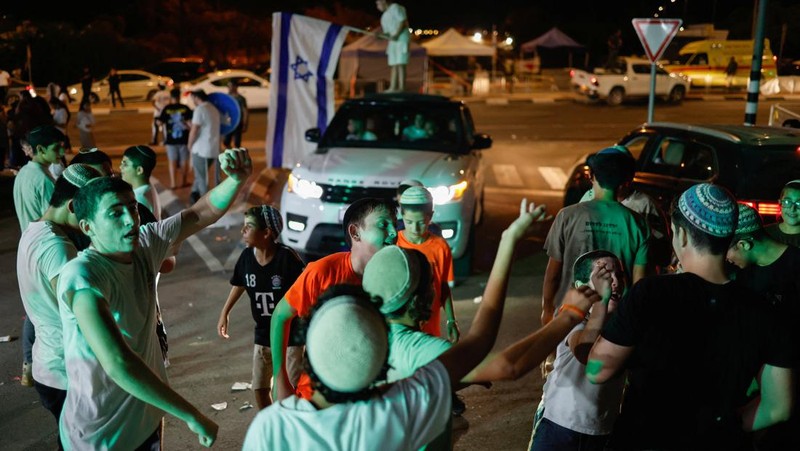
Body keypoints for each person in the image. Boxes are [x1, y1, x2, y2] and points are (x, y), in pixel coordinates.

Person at [243, 199, 600, 450]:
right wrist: (568, 313)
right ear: (383, 349)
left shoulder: (272, 427)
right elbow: (488, 350)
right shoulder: (403, 405)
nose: (392, 231)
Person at [55, 147, 252, 449]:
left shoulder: (144, 244)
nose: (130, 220)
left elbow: (198, 214)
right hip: (101, 436)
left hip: (146, 419)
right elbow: (118, 363)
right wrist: (191, 414)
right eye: (115, 212)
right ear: (87, 227)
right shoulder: (83, 276)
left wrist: (236, 179)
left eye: (132, 208)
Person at [588, 183, 795, 450]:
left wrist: (596, 313)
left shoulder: (650, 295)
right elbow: (779, 406)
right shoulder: (764, 310)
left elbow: (597, 370)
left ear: (681, 235)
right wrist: (724, 426)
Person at [269, 197, 398, 402]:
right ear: (355, 232)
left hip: (371, 396)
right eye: (383, 224)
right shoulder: (321, 272)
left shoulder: (397, 279)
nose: (394, 232)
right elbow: (280, 316)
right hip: (318, 396)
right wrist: (280, 378)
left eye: (394, 224)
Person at [16, 164, 102, 444]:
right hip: (66, 372)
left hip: (48, 363)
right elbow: (79, 309)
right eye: (90, 213)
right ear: (73, 205)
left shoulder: (34, 231)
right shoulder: (57, 247)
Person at [542, 146, 649, 326]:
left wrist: (547, 308)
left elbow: (553, 275)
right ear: (625, 181)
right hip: (616, 321)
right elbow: (639, 283)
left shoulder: (566, 216)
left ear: (591, 176)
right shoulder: (638, 224)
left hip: (570, 316)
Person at [726, 203, 800, 450]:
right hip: (754, 383)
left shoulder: (795, 266)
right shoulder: (742, 273)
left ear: (745, 244)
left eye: (728, 251)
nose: (726, 259)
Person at [217, 205, 305, 409]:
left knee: (291, 388)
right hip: (263, 334)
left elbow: (305, 289)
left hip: (290, 336)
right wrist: (225, 312)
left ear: (266, 233)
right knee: (259, 388)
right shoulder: (246, 257)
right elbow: (239, 283)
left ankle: (293, 427)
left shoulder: (287, 258)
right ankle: (271, 423)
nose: (243, 231)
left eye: (248, 227)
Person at [13, 125, 66, 387]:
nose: (61, 152)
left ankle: (28, 365)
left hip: (28, 245)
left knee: (34, 310)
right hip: (45, 249)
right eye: (57, 148)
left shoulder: (23, 174)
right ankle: (38, 365)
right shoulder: (43, 179)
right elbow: (56, 216)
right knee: (47, 311)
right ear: (40, 150)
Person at [188, 89, 221, 204]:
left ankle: (205, 205)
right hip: (213, 149)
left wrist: (189, 144)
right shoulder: (214, 109)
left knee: (202, 178)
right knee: (200, 175)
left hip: (200, 150)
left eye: (192, 98)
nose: (192, 101)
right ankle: (193, 195)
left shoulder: (200, 109)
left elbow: (194, 129)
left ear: (197, 98)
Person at [158, 87, 193, 189]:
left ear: (171, 97)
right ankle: (184, 181)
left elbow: (160, 122)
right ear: (179, 96)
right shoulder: (185, 108)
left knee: (172, 161)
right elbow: (190, 124)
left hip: (170, 140)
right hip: (184, 139)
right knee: (184, 161)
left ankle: (173, 183)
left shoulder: (167, 108)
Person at [376, 0, 411, 92]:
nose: (377, 6)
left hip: (402, 39)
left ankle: (401, 88)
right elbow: (387, 33)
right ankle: (392, 87)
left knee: (400, 63)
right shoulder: (383, 17)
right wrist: (380, 36)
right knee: (394, 64)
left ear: (384, 2)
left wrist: (397, 34)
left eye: (378, 3)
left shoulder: (395, 7)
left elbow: (402, 21)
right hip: (392, 42)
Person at [119, 145, 161, 219]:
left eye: (125, 164)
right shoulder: (149, 187)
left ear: (139, 170)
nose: (120, 167)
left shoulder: (138, 199)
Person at [765, 179, 800, 247]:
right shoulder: (764, 234)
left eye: (799, 203)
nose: (792, 208)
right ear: (780, 203)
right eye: (787, 202)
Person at [223, 80, 249, 148]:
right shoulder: (227, 97)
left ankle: (237, 156)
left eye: (230, 86)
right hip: (229, 123)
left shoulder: (241, 99)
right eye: (228, 86)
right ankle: (230, 154)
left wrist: (245, 124)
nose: (228, 88)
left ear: (235, 87)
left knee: (237, 143)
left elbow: (245, 111)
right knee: (226, 142)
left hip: (238, 123)